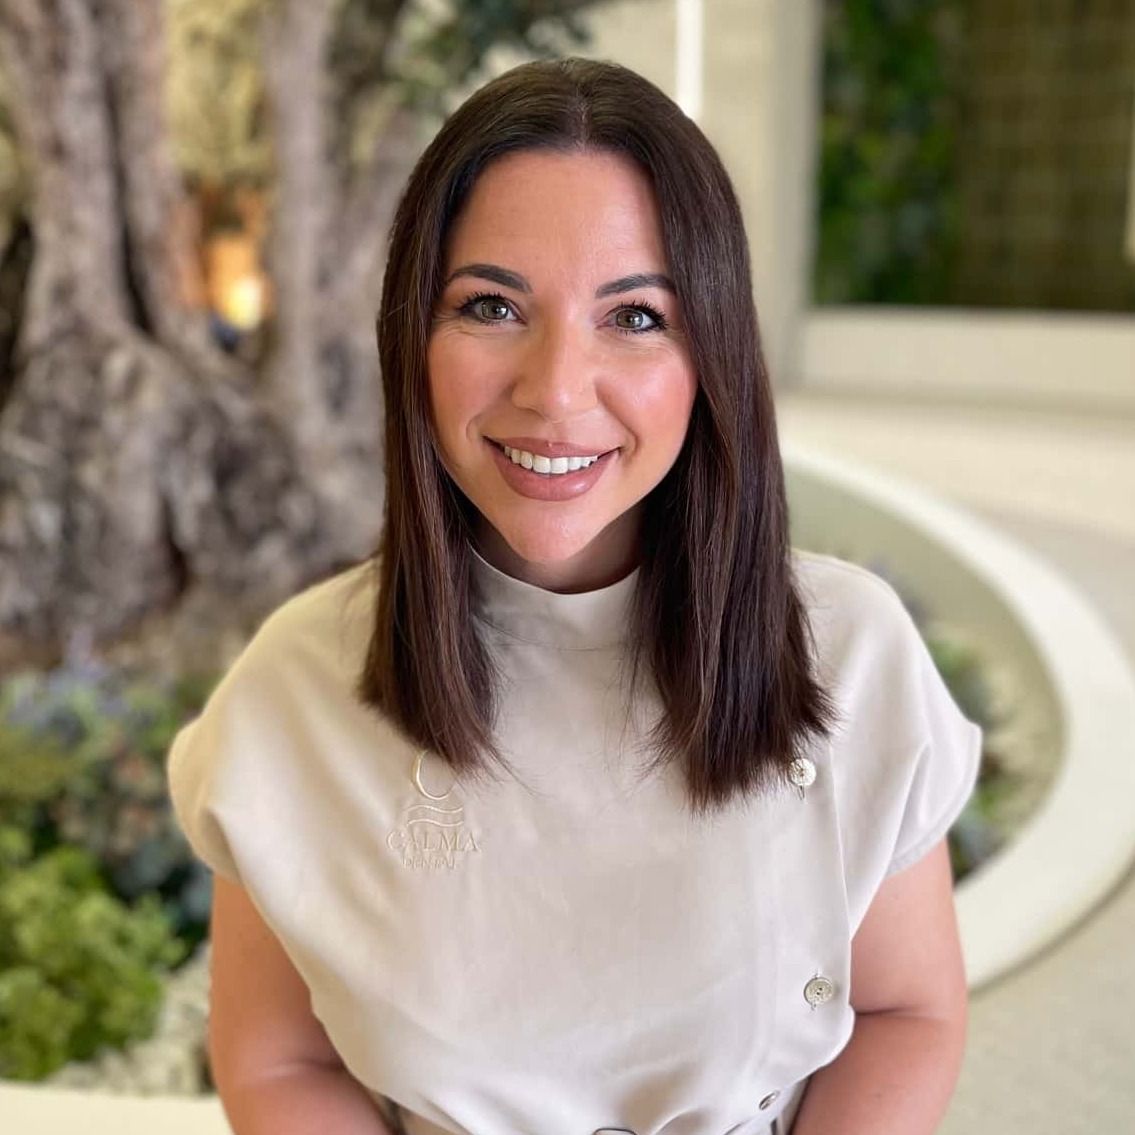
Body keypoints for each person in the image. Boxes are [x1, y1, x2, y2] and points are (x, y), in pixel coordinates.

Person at [167, 57, 982, 1135]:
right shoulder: (295, 689)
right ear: (412, 339)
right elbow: (277, 1060)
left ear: (712, 353)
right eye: (491, 305)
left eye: (634, 316)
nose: (554, 390)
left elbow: (904, 1011)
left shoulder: (849, 652)